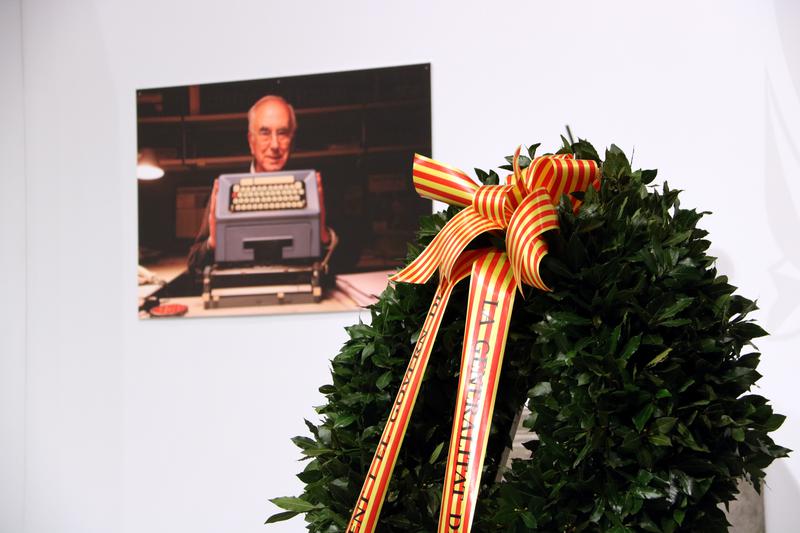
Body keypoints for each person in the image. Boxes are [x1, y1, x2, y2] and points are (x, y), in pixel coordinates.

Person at [188, 95, 325, 273]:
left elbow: (347, 260)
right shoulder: (226, 191)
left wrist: (324, 235)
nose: (275, 144)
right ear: (251, 141)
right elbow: (193, 265)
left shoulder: (314, 187)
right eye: (265, 132)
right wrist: (213, 243)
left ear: (292, 139)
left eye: (282, 133)